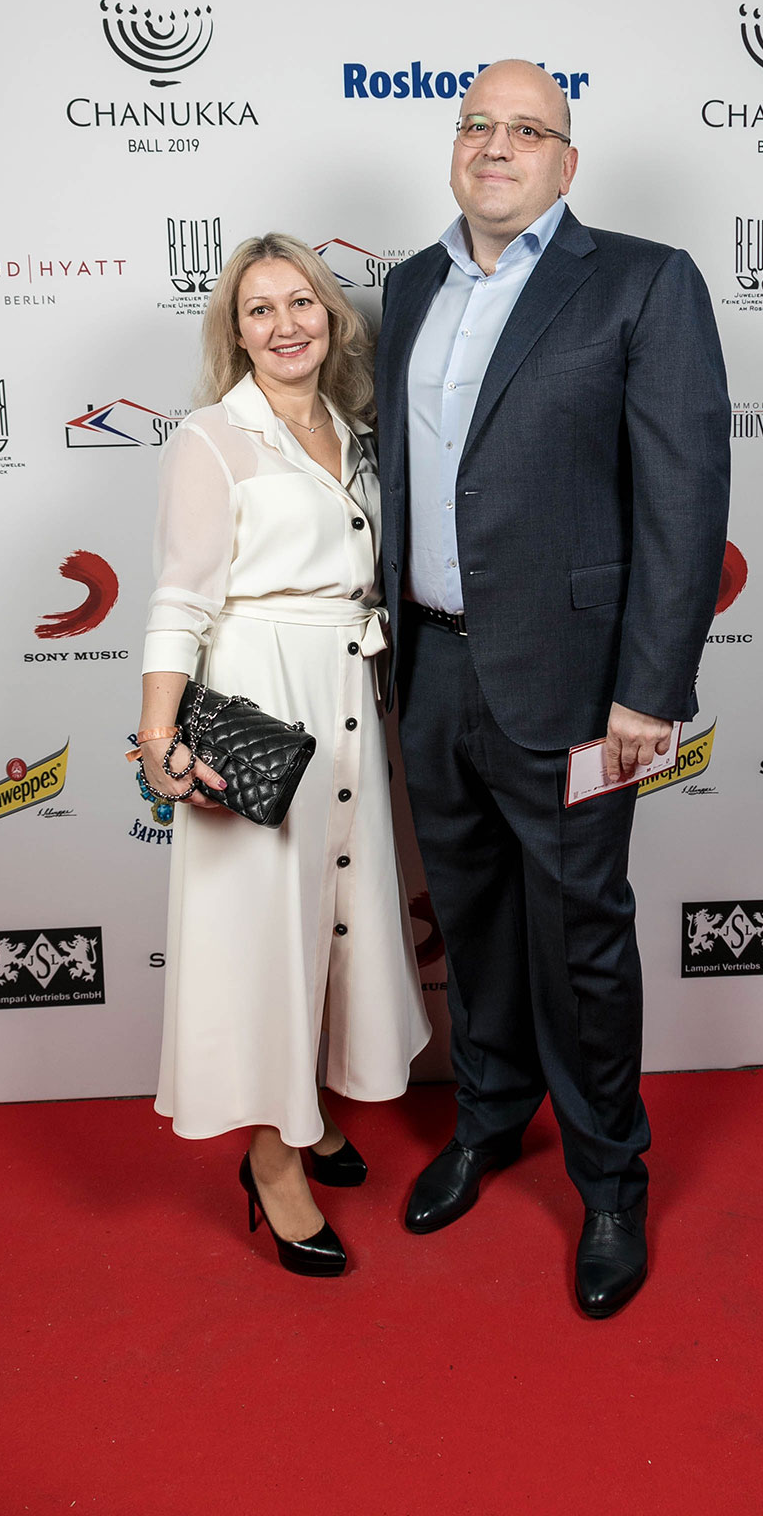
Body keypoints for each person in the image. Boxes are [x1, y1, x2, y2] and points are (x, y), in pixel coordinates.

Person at [375, 60, 730, 1318]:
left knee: (580, 939)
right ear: (453, 146)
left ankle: (611, 1183)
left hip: (582, 690)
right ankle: (488, 1118)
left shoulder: (643, 280)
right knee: (471, 918)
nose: (497, 145)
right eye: (477, 123)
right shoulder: (407, 286)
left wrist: (650, 692)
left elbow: (684, 500)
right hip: (432, 667)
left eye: (527, 129)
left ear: (567, 163)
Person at [136, 233, 431, 1278]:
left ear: (332, 317)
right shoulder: (212, 439)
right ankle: (272, 1160)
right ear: (236, 333)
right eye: (258, 309)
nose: (285, 324)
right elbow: (180, 596)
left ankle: (305, 1107)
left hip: (348, 693)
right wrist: (160, 738)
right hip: (263, 701)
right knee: (266, 935)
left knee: (336, 917)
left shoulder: (356, 433)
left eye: (301, 301)